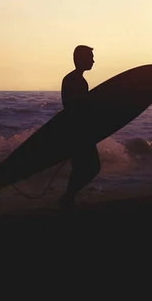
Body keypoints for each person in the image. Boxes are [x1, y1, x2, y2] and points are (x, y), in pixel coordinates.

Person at [59, 45, 101, 210]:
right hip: (78, 131)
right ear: (80, 59)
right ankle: (68, 197)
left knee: (81, 167)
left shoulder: (75, 79)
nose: (93, 60)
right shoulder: (76, 81)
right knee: (91, 167)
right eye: (90, 57)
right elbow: (75, 108)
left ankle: (68, 198)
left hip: (76, 130)